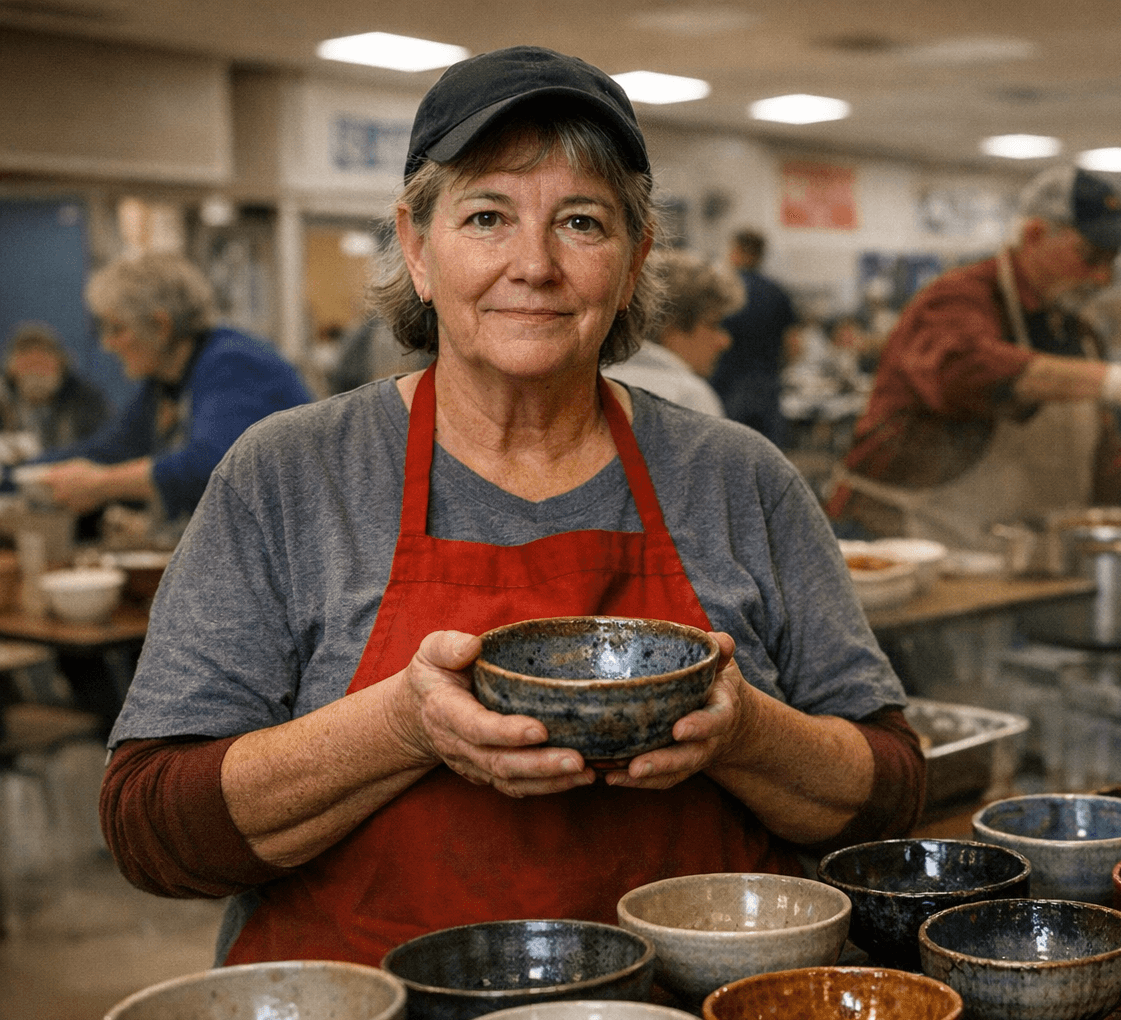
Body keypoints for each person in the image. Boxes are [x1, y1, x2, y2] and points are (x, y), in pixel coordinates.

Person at [98, 45, 923, 969]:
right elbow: (152, 827)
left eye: (581, 222)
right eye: (486, 216)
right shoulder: (289, 474)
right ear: (416, 248)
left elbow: (889, 793)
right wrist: (401, 723)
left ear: (634, 258)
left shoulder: (739, 477)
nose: (533, 265)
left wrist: (746, 732)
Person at [825, 164, 1121, 549]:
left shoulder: (1080, 337)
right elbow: (963, 371)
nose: (1104, 279)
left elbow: (1099, 470)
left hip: (1007, 562)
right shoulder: (955, 300)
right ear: (1034, 235)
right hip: (899, 546)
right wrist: (1114, 381)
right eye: (1092, 257)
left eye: (1114, 262)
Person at [22, 254, 313, 525]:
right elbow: (111, 449)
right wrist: (18, 474)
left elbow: (215, 468)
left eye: (117, 329)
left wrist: (102, 484)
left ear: (161, 326)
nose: (107, 344)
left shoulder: (233, 362)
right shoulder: (166, 380)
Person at [604, 248, 743, 416]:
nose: (725, 341)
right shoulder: (689, 398)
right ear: (670, 324)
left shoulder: (590, 385)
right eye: (713, 324)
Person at [709, 228, 797, 446]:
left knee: (727, 453)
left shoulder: (720, 290)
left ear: (735, 251)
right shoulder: (777, 293)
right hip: (766, 384)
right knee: (767, 457)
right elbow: (794, 346)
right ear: (761, 255)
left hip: (726, 385)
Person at [0, 321, 111, 455]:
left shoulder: (87, 401)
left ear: (61, 364)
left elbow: (104, 447)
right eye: (28, 363)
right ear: (11, 369)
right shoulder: (3, 400)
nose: (36, 371)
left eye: (43, 362)